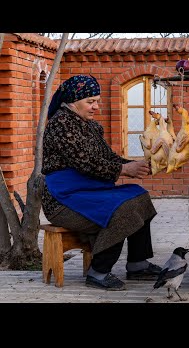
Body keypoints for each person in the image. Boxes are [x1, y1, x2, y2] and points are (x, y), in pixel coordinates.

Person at [42, 74, 162, 291]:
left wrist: (137, 165)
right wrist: (125, 169)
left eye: (97, 100)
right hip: (63, 200)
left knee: (138, 196)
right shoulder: (60, 124)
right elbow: (85, 163)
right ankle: (98, 272)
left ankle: (137, 263)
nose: (96, 106)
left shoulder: (91, 126)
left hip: (89, 191)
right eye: (90, 101)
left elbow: (107, 158)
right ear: (72, 101)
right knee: (121, 210)